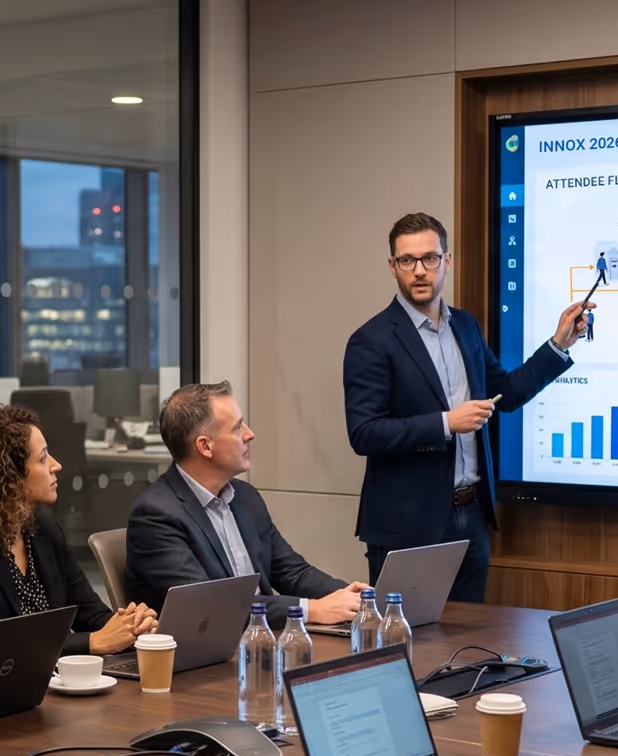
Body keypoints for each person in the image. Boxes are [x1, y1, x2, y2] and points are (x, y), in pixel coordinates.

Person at [343, 212, 588, 602]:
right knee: (410, 645)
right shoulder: (371, 341)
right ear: (393, 267)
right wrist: (445, 423)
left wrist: (558, 346)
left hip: (470, 516)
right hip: (409, 525)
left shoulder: (467, 327)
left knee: (468, 641)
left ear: (447, 261)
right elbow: (365, 433)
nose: (420, 271)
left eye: (430, 258)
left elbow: (504, 393)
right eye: (407, 261)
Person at [126, 382, 365, 629]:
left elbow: (293, 572)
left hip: (263, 640)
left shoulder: (244, 496)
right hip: (204, 657)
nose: (250, 434)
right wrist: (312, 609)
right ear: (205, 446)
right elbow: (210, 606)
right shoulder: (155, 515)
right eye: (238, 427)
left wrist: (354, 598)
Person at [0, 404, 158, 653]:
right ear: (9, 476)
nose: (56, 465)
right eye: (43, 458)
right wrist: (92, 642)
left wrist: (132, 626)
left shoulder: (44, 530)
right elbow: (10, 645)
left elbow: (91, 614)